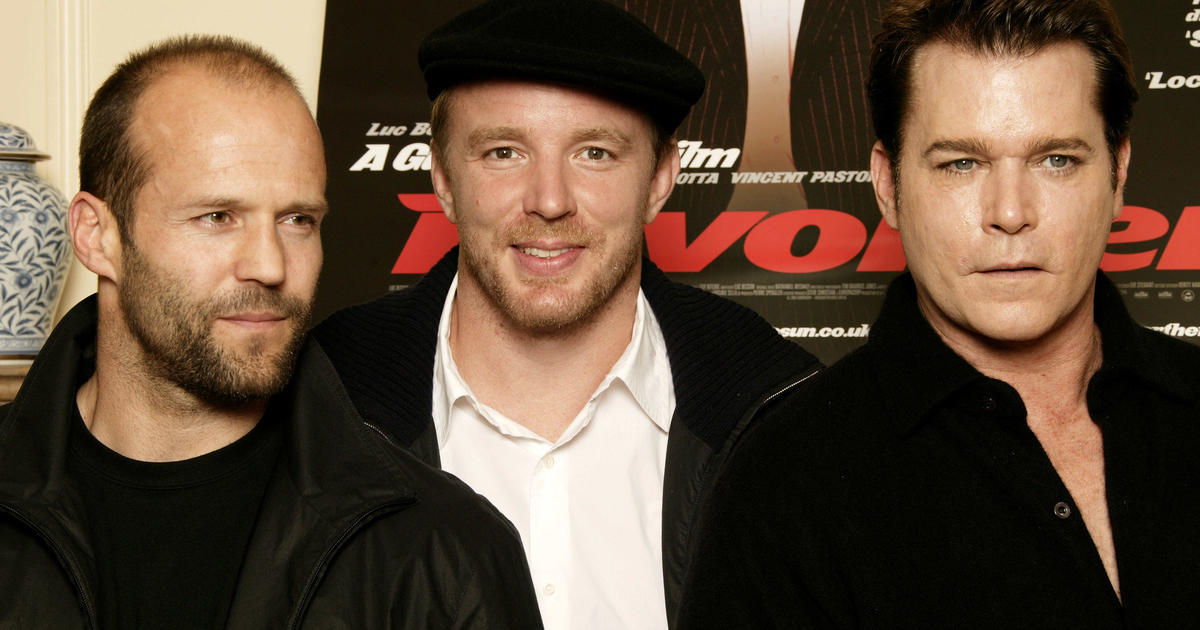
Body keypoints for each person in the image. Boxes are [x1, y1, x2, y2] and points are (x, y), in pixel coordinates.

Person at [676, 0, 1200, 627]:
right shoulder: (785, 481)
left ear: (1118, 173)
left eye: (1056, 159)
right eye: (961, 163)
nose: (1010, 212)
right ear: (888, 184)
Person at [0, 35, 541, 628]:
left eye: (298, 220)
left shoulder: (447, 554)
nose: (271, 265)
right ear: (95, 235)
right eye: (217, 217)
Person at [313, 0, 822, 627]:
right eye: (504, 152)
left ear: (661, 178)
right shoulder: (322, 402)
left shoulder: (783, 412)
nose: (549, 200)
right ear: (442, 176)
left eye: (595, 154)